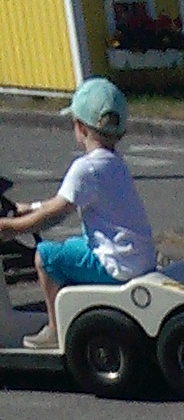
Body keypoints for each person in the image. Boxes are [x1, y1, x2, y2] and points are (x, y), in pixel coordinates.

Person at [4, 79, 155, 351]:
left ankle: (55, 329)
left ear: (81, 127)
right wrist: (31, 207)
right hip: (137, 257)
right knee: (71, 247)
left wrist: (11, 228)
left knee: (45, 256)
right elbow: (59, 202)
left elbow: (55, 213)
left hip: (114, 264)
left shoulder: (85, 168)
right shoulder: (114, 164)